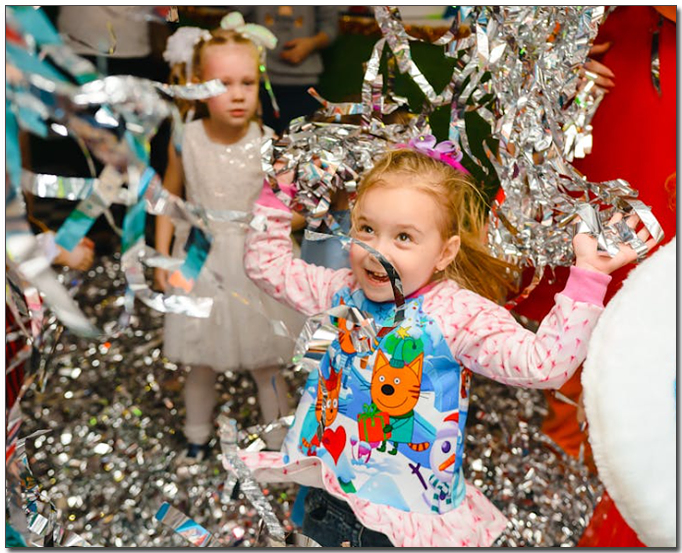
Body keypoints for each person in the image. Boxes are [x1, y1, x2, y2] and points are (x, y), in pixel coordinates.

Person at [240, 138, 653, 547]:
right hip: (325, 498)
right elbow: (266, 265)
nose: (376, 251)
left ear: (444, 252)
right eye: (366, 229)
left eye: (404, 237)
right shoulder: (339, 291)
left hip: (400, 529)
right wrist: (275, 196)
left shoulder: (456, 315)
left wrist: (588, 275)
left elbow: (544, 365)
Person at [154, 20, 302, 462]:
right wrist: (161, 256)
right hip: (199, 257)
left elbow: (293, 208)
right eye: (222, 84)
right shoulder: (186, 139)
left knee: (266, 360)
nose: (237, 94)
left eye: (247, 83)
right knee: (199, 356)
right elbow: (169, 198)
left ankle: (279, 446)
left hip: (255, 259)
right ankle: (196, 436)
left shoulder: (268, 143)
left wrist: (275, 221)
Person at [238, 6, 340, 134]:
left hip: (303, 83)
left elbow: (330, 26)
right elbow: (235, 16)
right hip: (260, 81)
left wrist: (311, 44)